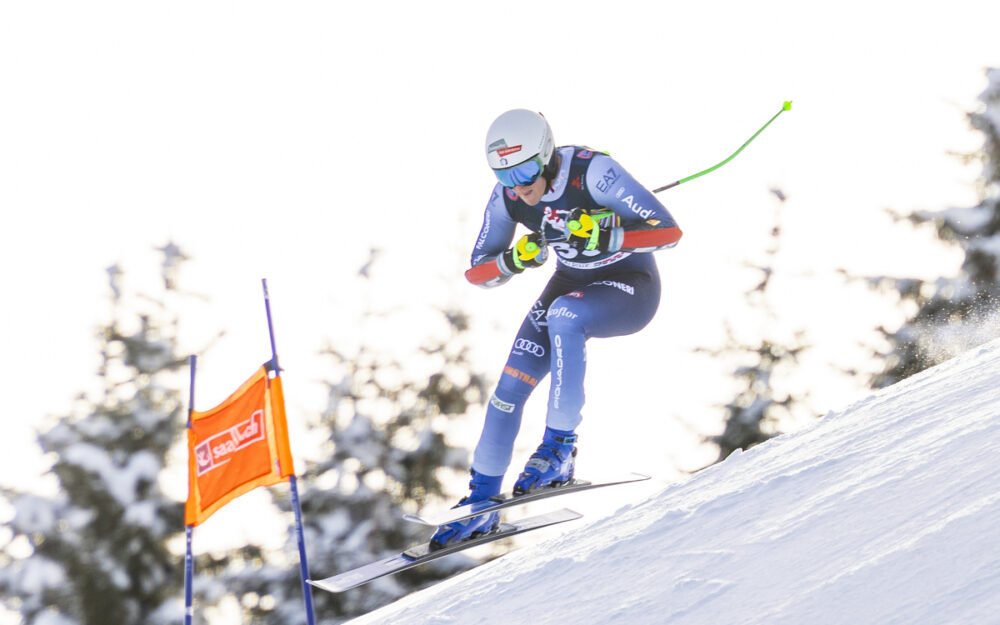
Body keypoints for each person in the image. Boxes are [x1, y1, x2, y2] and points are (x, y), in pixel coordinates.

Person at [430, 109, 682, 548]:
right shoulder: (508, 196)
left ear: (546, 156)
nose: (520, 186)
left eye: (527, 171)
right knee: (509, 389)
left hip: (629, 286)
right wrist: (514, 260)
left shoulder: (593, 173)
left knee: (565, 315)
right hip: (570, 284)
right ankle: (481, 501)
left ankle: (559, 450)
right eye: (506, 176)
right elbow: (476, 272)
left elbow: (670, 232)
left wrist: (610, 235)